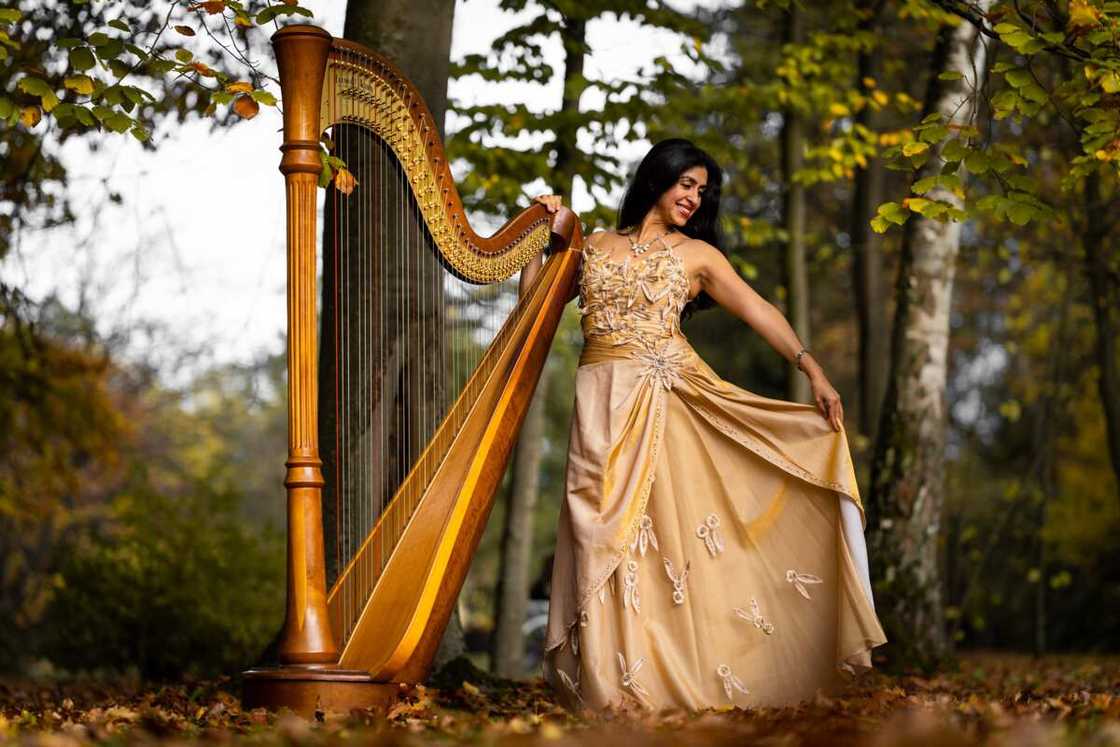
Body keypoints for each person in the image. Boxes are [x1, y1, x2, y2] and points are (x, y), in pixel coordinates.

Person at [520, 138, 886, 712]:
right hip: (596, 409)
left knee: (653, 542)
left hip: (662, 403)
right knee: (593, 536)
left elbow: (758, 308)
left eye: (702, 190)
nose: (695, 197)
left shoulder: (699, 257)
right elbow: (534, 308)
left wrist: (811, 366)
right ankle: (604, 683)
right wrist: (539, 243)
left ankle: (652, 682)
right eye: (686, 184)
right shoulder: (592, 245)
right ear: (656, 178)